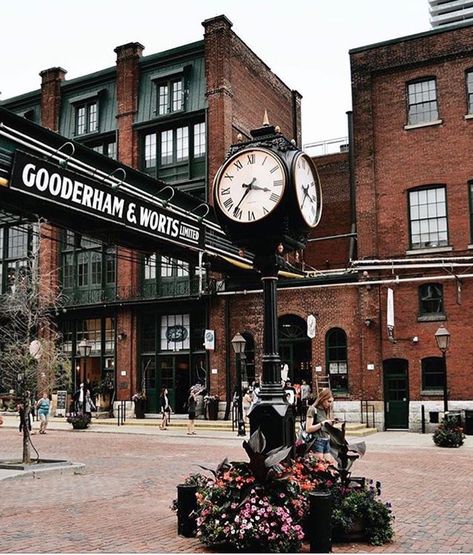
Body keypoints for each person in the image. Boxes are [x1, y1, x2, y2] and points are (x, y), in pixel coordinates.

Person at [305, 388, 336, 463]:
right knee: (319, 466)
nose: (330, 404)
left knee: (328, 465)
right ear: (322, 399)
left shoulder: (326, 410)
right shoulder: (313, 409)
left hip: (326, 440)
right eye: (328, 401)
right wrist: (322, 423)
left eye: (331, 402)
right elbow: (308, 428)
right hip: (317, 440)